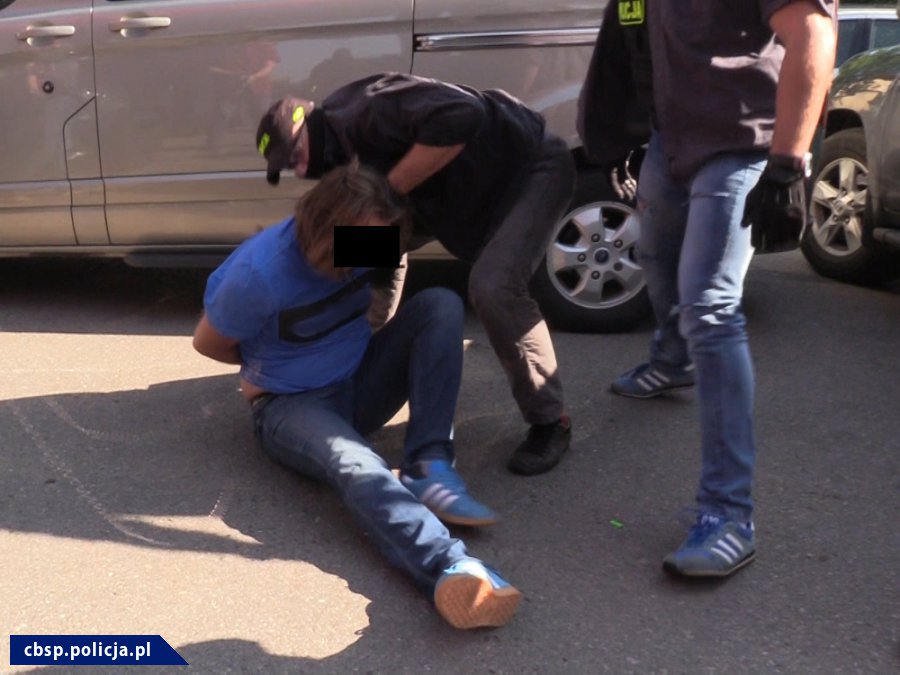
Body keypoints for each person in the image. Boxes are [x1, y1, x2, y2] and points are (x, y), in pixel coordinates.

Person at [192, 163, 522, 629]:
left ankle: (428, 464)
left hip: (359, 383)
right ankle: (451, 566)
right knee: (357, 463)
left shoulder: (361, 237)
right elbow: (207, 342)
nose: (365, 253)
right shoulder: (258, 273)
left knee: (440, 306)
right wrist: (267, 370)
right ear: (325, 228)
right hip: (291, 405)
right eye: (357, 242)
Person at [581, 0, 836, 577]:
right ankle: (673, 361)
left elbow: (813, 34)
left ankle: (729, 515)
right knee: (654, 257)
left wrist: (786, 164)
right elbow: (631, 40)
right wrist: (616, 136)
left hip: (741, 146)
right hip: (670, 141)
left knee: (710, 308)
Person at [254, 72, 577, 476]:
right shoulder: (340, 154)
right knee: (354, 249)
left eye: (296, 155)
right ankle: (357, 367)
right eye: (288, 167)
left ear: (306, 124)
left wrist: (388, 193)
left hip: (528, 170)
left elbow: (464, 113)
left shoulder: (365, 110)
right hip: (457, 191)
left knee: (494, 287)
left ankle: (550, 420)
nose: (300, 170)